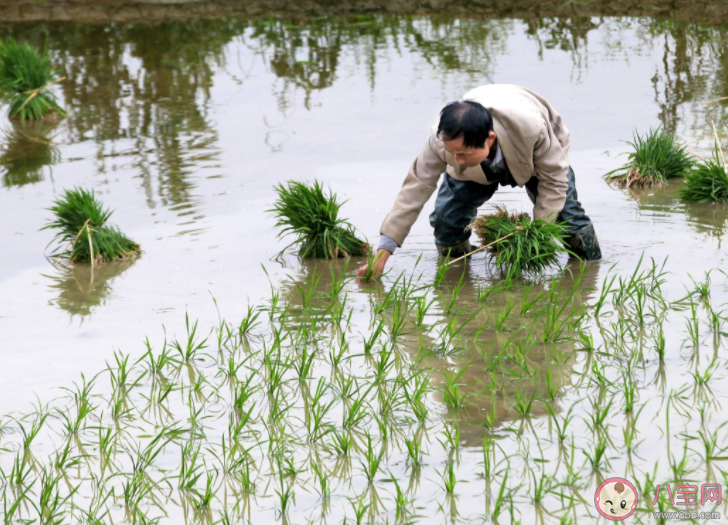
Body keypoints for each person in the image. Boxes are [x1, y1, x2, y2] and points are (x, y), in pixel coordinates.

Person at [357, 84, 601, 279]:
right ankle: (458, 275)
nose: (457, 161)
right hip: (481, 163)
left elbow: (555, 181)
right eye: (452, 154)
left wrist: (537, 231)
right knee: (446, 221)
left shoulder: (531, 129)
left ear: (490, 139)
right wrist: (383, 252)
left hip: (534, 157)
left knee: (566, 216)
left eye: (463, 154)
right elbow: (413, 191)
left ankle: (590, 272)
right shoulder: (441, 142)